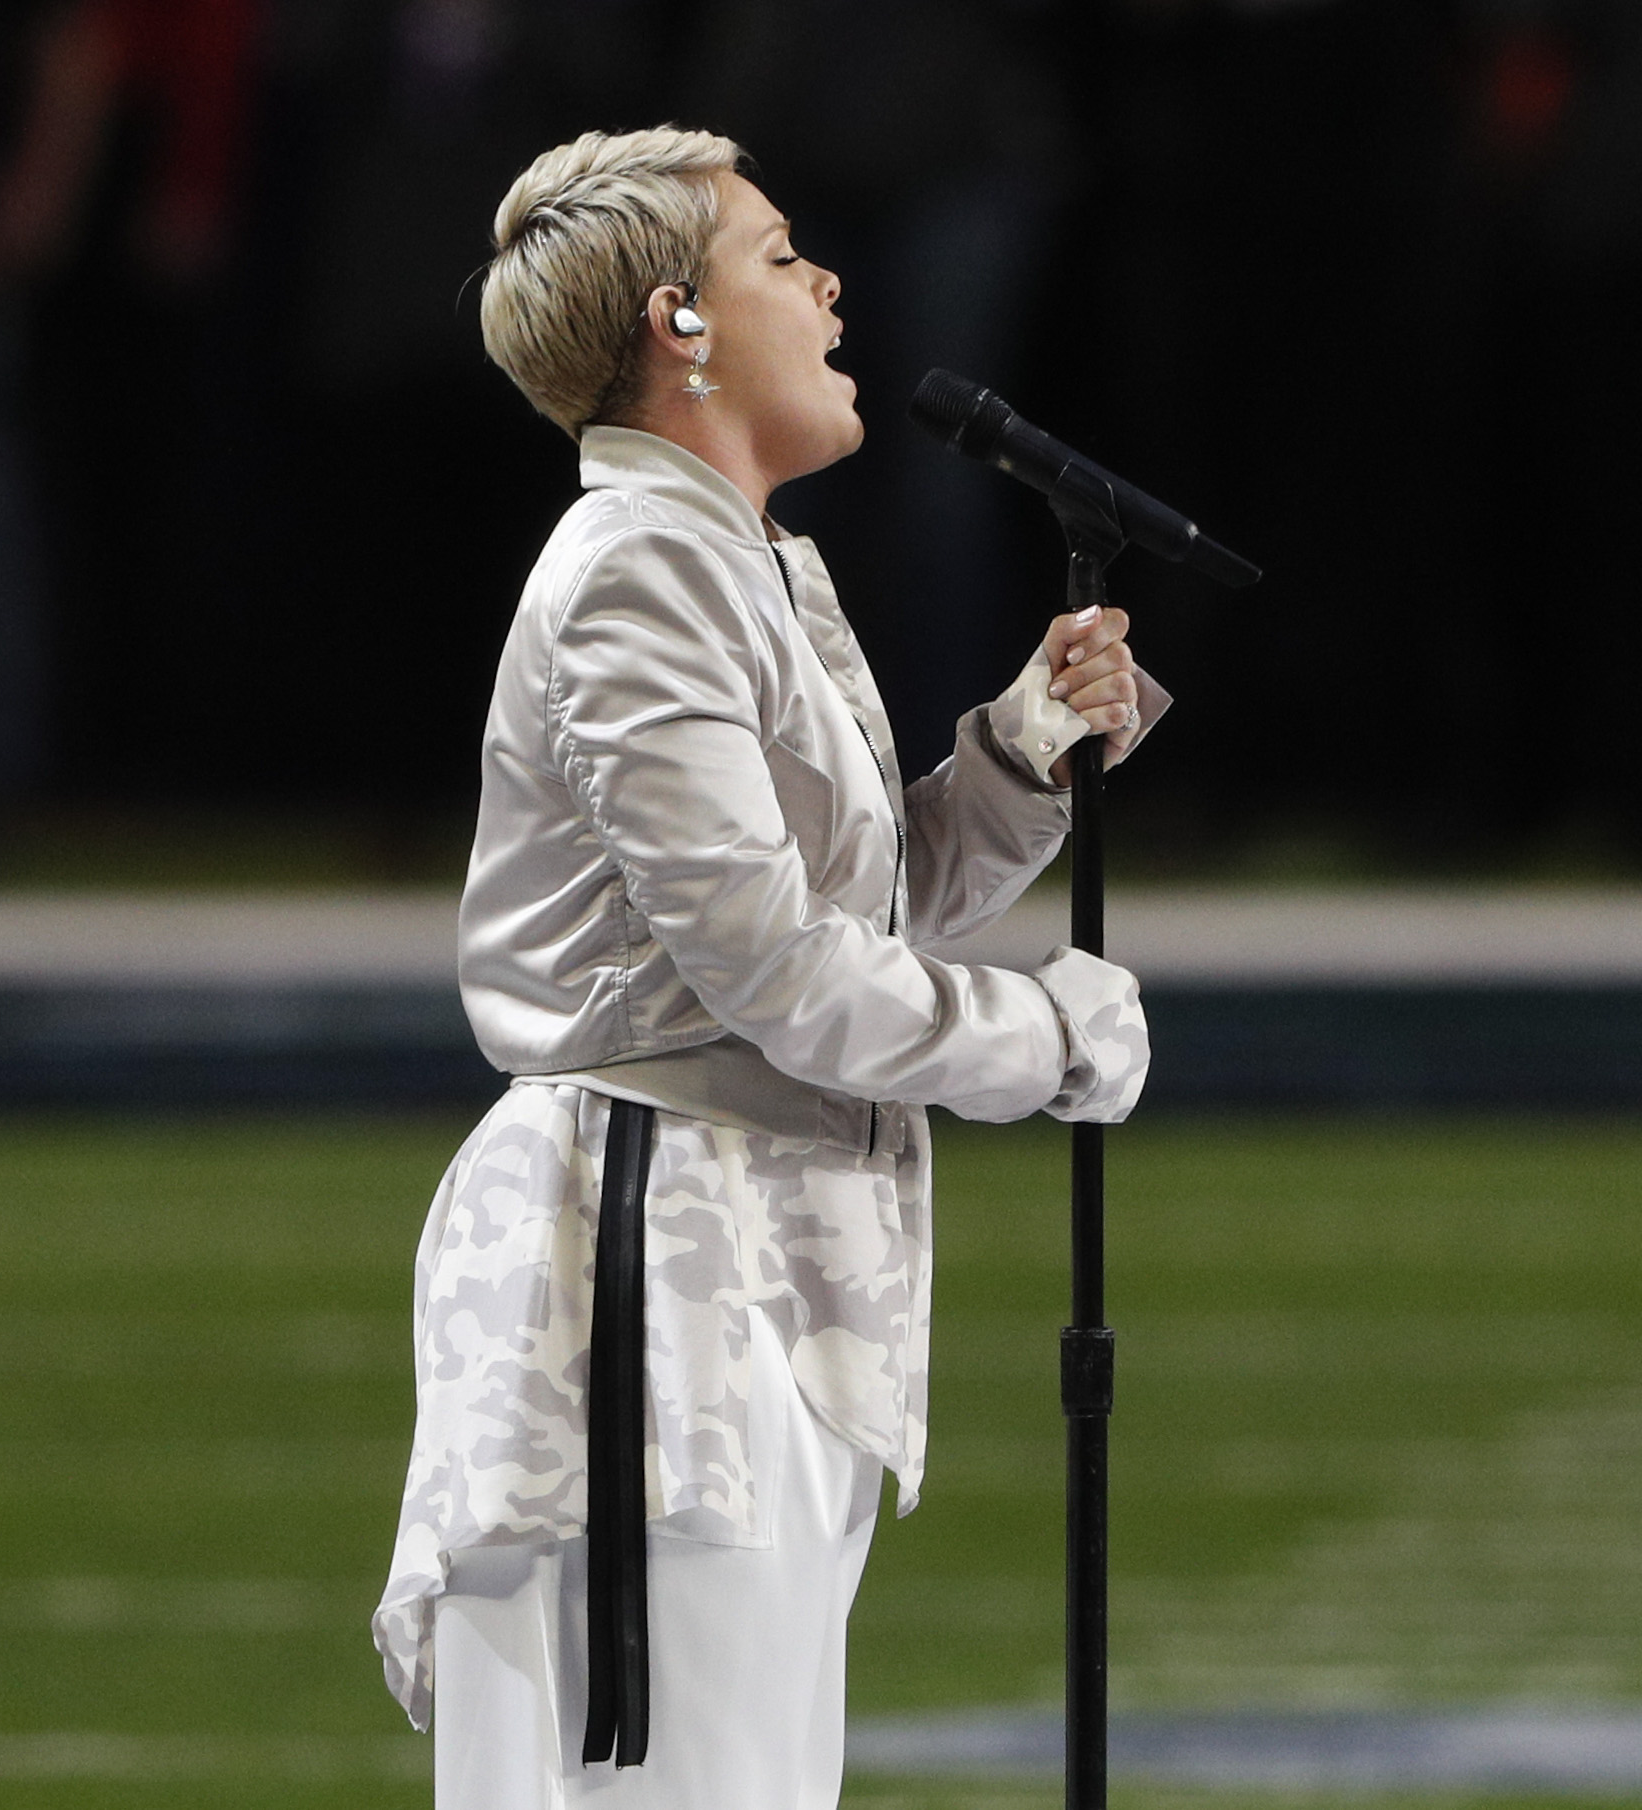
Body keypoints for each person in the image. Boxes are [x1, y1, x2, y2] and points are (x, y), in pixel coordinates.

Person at [368, 126, 1158, 1808]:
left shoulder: (733, 558)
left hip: (746, 1247)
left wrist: (1019, 757)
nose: (828, 285)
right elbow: (775, 969)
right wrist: (1047, 1039)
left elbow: (843, 915)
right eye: (781, 255)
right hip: (652, 1259)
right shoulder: (640, 569)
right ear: (682, 323)